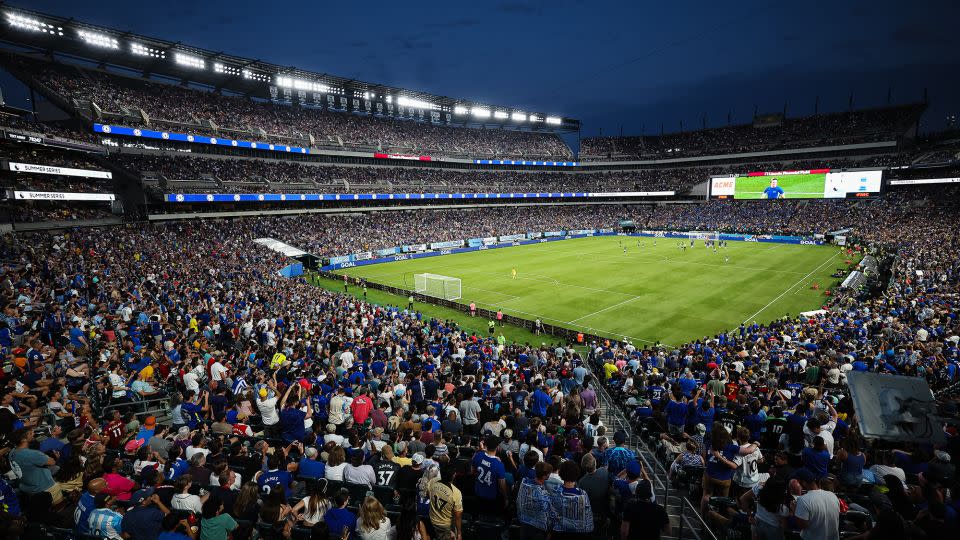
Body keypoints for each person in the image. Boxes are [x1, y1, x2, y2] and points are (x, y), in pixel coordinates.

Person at [791, 469, 840, 540]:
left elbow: (802, 525)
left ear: (804, 483)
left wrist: (795, 510)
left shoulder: (803, 500)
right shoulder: (832, 495)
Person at [550, 460, 593, 538]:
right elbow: (587, 518)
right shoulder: (583, 494)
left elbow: (552, 514)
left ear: (561, 474)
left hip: (559, 532)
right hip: (578, 533)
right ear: (576, 474)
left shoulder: (556, 491)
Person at [517, 462, 553, 540]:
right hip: (537, 529)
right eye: (549, 474)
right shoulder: (543, 494)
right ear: (545, 476)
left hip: (523, 523)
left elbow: (518, 502)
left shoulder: (524, 484)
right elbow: (547, 514)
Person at [427, 463, 463, 540]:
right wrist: (459, 533)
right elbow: (458, 515)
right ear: (453, 475)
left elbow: (428, 494)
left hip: (432, 520)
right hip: (445, 526)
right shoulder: (456, 493)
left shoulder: (433, 481)